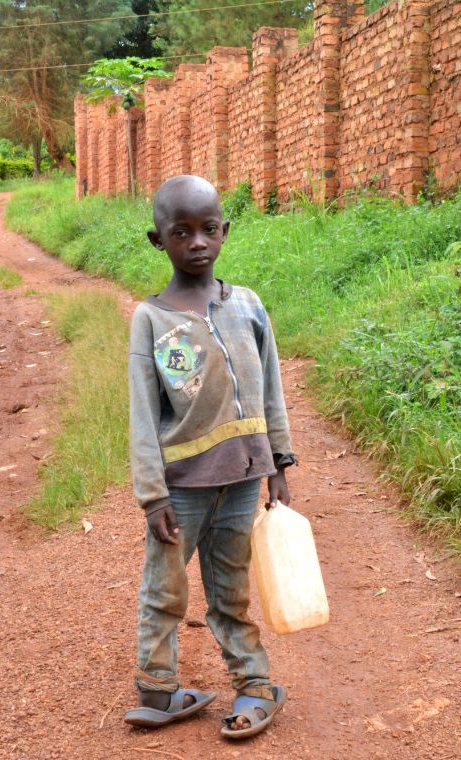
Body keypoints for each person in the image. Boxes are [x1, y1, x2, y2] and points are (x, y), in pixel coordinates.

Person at [123, 175, 296, 740]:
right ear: (158, 240)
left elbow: (271, 387)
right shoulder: (152, 319)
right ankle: (157, 686)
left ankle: (254, 683)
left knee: (231, 588)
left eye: (208, 228)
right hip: (182, 489)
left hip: (245, 478)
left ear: (225, 231)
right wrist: (152, 496)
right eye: (181, 231)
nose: (197, 241)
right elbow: (144, 417)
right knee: (165, 589)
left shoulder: (246, 304)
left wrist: (279, 464)